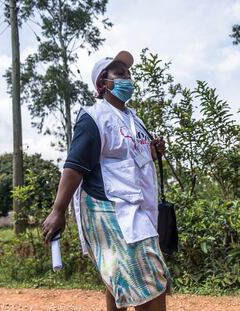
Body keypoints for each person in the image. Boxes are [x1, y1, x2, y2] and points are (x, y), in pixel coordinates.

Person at [42, 50, 171, 311]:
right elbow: (74, 167)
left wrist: (153, 150)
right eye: (119, 74)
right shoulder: (93, 118)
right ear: (103, 83)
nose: (127, 78)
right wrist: (58, 211)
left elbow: (131, 157)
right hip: (107, 206)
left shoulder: (134, 119)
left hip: (135, 206)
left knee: (117, 271)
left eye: (129, 73)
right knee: (149, 276)